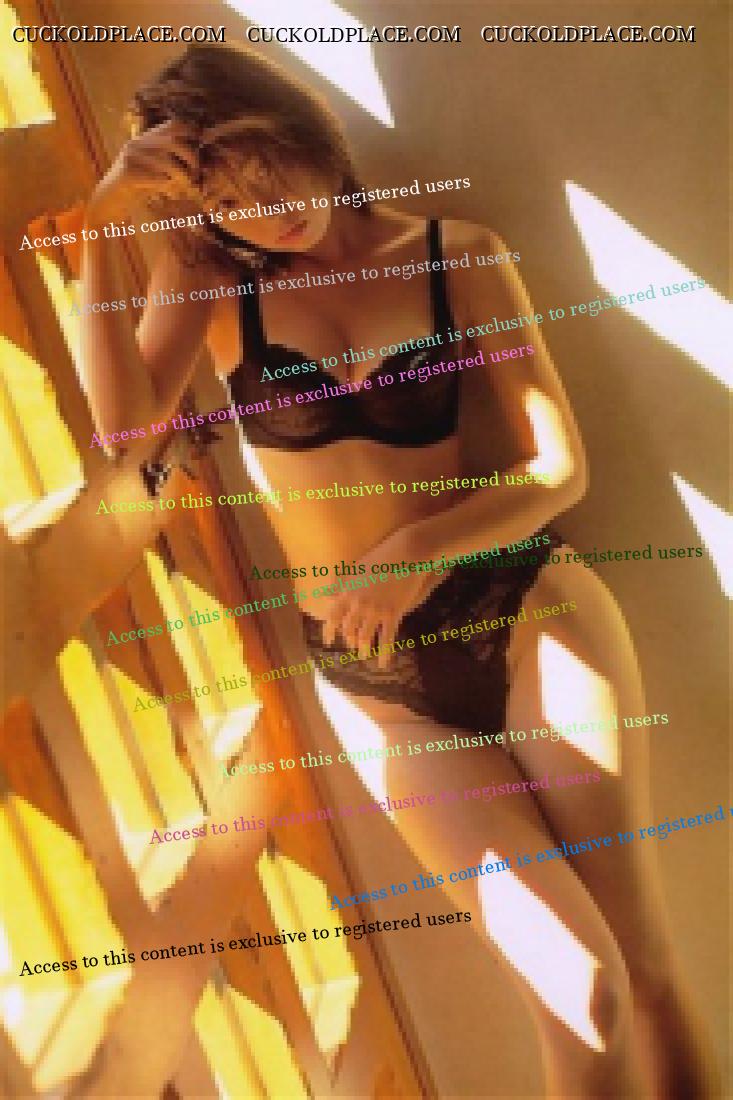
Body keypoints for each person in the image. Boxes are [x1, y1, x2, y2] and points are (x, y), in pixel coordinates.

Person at [80, 43, 714, 1097]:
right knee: (580, 988)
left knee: (641, 964)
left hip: (524, 609)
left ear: (310, 135)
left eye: (269, 175)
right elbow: (122, 430)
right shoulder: (210, 282)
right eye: (227, 203)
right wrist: (107, 220)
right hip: (377, 678)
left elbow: (555, 468)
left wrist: (415, 549)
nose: (265, 215)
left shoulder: (453, 252)